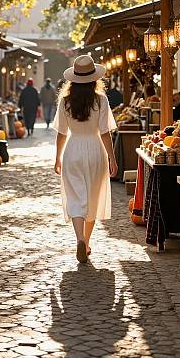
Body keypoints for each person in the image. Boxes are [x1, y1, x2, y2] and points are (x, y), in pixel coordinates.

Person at [53, 55, 117, 264]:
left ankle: (80, 239)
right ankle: (86, 242)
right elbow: (105, 133)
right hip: (95, 149)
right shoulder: (101, 100)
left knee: (76, 198)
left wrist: (57, 158)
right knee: (92, 198)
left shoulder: (65, 101)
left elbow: (61, 133)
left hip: (73, 150)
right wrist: (112, 158)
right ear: (94, 78)